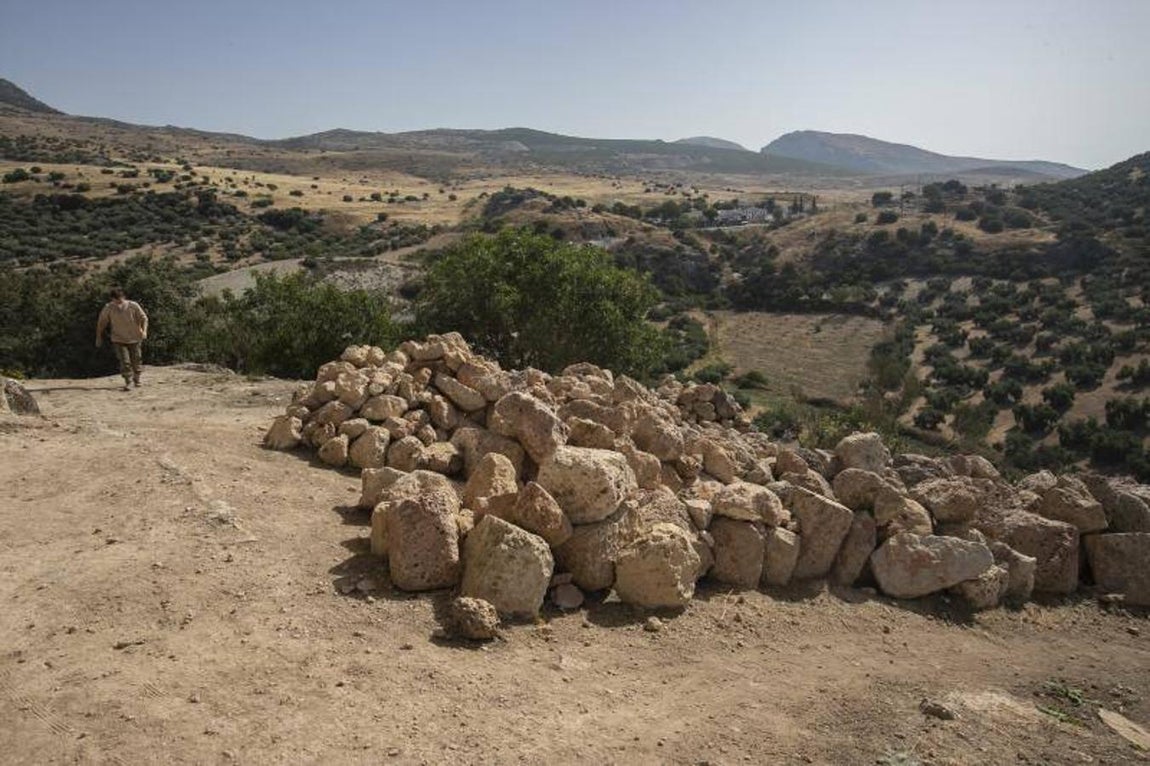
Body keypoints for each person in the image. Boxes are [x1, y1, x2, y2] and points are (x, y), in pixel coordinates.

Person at [95, 287, 149, 391]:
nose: (118, 303)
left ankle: (137, 379)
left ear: (123, 297)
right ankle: (128, 381)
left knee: (137, 359)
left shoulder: (133, 305)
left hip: (135, 337)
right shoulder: (109, 308)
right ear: (112, 299)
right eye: (116, 300)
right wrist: (98, 337)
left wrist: (144, 330)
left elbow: (144, 318)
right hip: (118, 338)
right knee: (125, 361)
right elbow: (101, 323)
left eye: (120, 300)